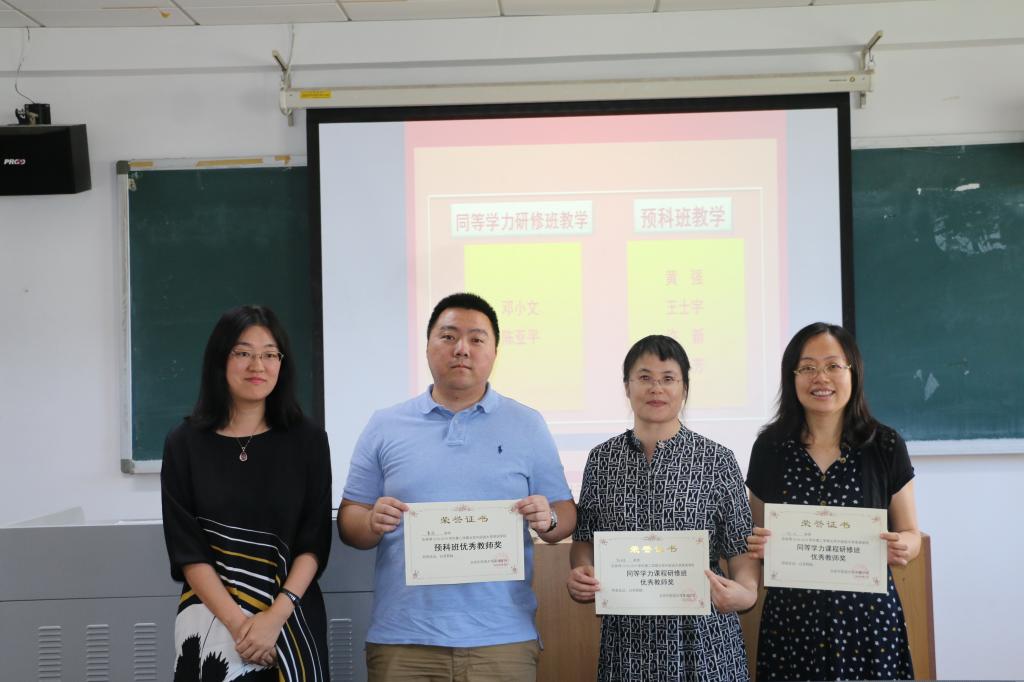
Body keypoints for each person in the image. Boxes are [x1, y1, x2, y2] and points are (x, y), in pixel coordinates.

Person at [338, 292, 576, 682]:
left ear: (494, 352)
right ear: (427, 346)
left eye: (476, 339)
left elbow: (564, 514)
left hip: (502, 640)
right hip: (403, 640)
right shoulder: (385, 425)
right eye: (448, 336)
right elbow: (351, 518)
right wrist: (370, 522)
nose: (461, 349)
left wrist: (546, 517)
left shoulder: (527, 424)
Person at [567, 334, 759, 681]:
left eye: (668, 378)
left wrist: (745, 592)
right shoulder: (602, 460)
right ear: (627, 386)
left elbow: (739, 546)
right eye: (644, 377)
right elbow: (585, 539)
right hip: (628, 640)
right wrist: (582, 571)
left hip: (704, 637)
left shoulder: (716, 459)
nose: (656, 388)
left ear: (684, 388)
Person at [161, 305, 332, 682]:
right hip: (211, 622)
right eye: (243, 353)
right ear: (220, 359)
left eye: (270, 354)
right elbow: (188, 550)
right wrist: (241, 626)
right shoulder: (183, 443)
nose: (258, 365)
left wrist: (274, 618)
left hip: (291, 621)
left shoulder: (308, 440)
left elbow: (314, 541)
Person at [745, 322, 920, 681]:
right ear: (792, 377)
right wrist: (758, 544)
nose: (820, 378)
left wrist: (904, 545)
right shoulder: (770, 448)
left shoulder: (885, 445)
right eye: (807, 367)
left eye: (833, 366)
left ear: (853, 372)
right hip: (792, 624)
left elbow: (911, 534)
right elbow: (755, 531)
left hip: (867, 622)